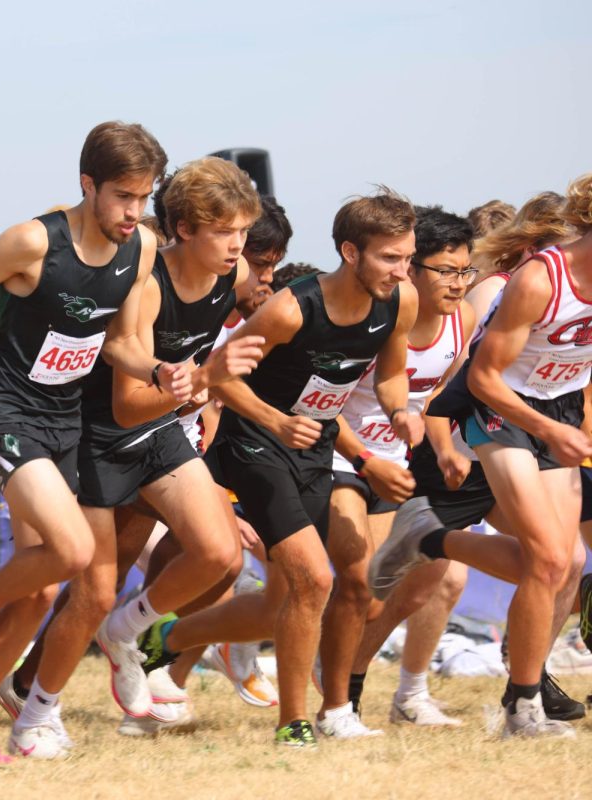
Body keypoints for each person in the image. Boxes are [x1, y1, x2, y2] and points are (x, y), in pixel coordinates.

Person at [0, 121, 192, 762]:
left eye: (144, 197)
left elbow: (119, 342)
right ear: (88, 185)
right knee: (72, 551)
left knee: (42, 588)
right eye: (123, 197)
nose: (134, 211)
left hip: (64, 420)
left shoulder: (143, 249)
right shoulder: (32, 241)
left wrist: (156, 370)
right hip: (7, 411)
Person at [0, 158, 264, 759]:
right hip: (99, 435)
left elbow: (218, 354)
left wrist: (218, 387)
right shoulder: (146, 285)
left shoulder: (234, 274)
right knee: (90, 590)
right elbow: (129, 403)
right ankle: (36, 713)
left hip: (160, 427)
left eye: (243, 231)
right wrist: (207, 379)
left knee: (220, 552)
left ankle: (128, 630)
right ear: (185, 230)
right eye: (224, 232)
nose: (237, 246)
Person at [141, 189, 422, 747]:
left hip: (314, 448)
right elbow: (221, 377)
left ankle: (168, 641)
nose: (401, 270)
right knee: (315, 577)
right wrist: (276, 422)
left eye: (407, 257)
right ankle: (297, 721)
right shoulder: (292, 308)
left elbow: (390, 376)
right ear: (350, 251)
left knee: (291, 598)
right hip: (254, 443)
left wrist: (400, 412)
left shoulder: (399, 302)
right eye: (390, 258)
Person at [370, 174, 592, 738]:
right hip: (498, 408)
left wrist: (569, 425)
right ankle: (523, 708)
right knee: (545, 556)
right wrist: (548, 428)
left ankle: (429, 537)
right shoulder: (542, 278)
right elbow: (485, 378)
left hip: (556, 409)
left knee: (564, 564)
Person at [318, 206, 475, 736]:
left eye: (465, 271)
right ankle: (336, 695)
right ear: (412, 271)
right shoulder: (376, 316)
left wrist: (445, 449)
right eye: (446, 271)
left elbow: (436, 400)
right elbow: (326, 399)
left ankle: (356, 679)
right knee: (357, 581)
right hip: (340, 455)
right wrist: (366, 455)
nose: (458, 284)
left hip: (399, 463)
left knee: (385, 588)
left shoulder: (464, 321)